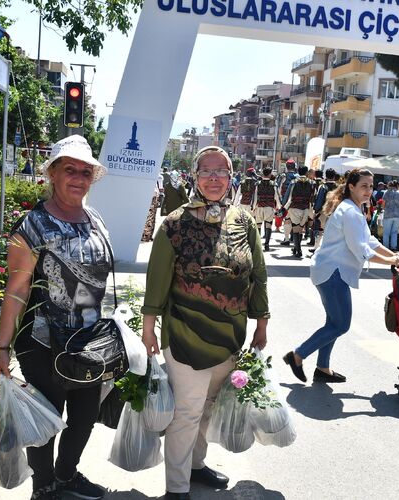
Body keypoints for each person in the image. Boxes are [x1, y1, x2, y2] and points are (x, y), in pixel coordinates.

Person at [141, 145, 269, 500]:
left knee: (209, 408)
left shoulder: (245, 220)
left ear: (231, 177)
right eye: (206, 171)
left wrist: (262, 322)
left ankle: (196, 467)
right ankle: (177, 488)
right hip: (184, 333)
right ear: (195, 177)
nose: (214, 178)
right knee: (187, 411)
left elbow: (258, 274)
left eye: (221, 171)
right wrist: (149, 326)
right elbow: (157, 279)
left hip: (229, 335)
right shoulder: (174, 223)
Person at [0, 135, 111, 500]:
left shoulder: (95, 219)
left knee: (85, 414)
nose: (78, 177)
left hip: (89, 342)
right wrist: (2, 348)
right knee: (45, 419)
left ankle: (67, 474)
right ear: (53, 175)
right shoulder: (32, 226)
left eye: (85, 171)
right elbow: (16, 290)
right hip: (43, 342)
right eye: (69, 169)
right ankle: (43, 486)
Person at [284, 169, 399, 384]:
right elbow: (361, 249)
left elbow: (370, 241)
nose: (369, 191)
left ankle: (322, 368)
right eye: (364, 186)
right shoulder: (350, 211)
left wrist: (392, 255)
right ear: (351, 187)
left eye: (371, 186)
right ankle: (298, 355)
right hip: (332, 273)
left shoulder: (354, 209)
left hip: (330, 271)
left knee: (333, 322)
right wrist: (390, 262)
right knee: (341, 325)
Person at [283, 165, 316, 258]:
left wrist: (283, 206)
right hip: (305, 208)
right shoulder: (312, 182)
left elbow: (287, 195)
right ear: (307, 173)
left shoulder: (293, 182)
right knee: (300, 229)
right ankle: (296, 248)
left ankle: (298, 250)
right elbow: (314, 196)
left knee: (296, 229)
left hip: (294, 207)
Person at [310, 168, 338, 252]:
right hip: (335, 212)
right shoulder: (338, 187)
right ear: (334, 176)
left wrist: (316, 211)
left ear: (326, 176)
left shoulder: (322, 186)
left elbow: (319, 199)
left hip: (323, 211)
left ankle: (316, 247)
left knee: (320, 230)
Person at [254, 167, 279, 251]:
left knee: (258, 225)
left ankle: (258, 245)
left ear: (263, 174)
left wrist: (254, 207)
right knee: (268, 226)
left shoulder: (258, 183)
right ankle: (267, 244)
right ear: (269, 174)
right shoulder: (273, 184)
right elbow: (276, 196)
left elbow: (255, 197)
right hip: (269, 207)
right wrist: (279, 207)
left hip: (260, 206)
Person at [278, 160, 298, 246]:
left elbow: (278, 188)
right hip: (296, 201)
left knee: (287, 219)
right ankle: (293, 236)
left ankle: (286, 239)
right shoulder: (298, 176)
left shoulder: (283, 175)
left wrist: (279, 201)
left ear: (286, 166)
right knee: (295, 220)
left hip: (285, 200)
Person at [382, 180, 399, 251]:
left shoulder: (387, 192)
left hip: (388, 214)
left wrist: (383, 208)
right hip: (398, 215)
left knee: (386, 232)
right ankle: (393, 247)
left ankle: (386, 248)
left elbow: (383, 204)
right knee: (394, 232)